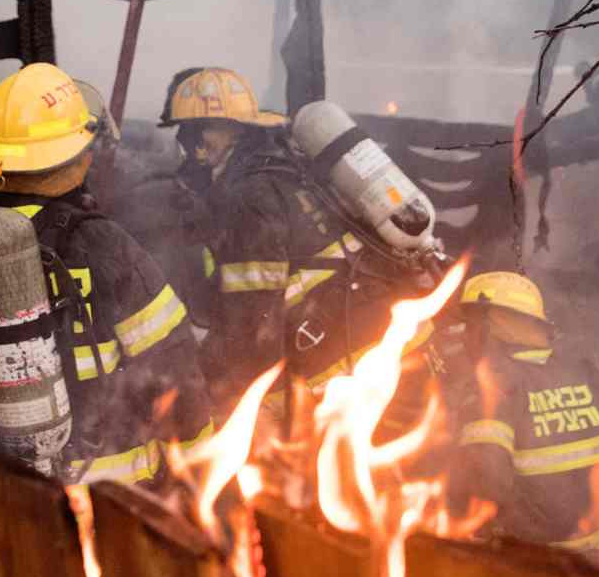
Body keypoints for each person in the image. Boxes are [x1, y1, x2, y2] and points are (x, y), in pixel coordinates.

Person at [0, 63, 212, 499]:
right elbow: (172, 364)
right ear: (73, 157)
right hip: (110, 496)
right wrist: (202, 468)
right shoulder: (104, 244)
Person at [158, 67, 440, 426]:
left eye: (192, 132)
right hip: (399, 339)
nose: (188, 146)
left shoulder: (245, 196)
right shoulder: (293, 166)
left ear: (214, 135)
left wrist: (221, 387)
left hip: (356, 369)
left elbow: (255, 319)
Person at [449, 272, 599, 554]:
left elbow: (489, 484)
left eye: (471, 324)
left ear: (495, 322)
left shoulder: (492, 389)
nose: (467, 336)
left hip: (539, 565)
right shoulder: (582, 374)